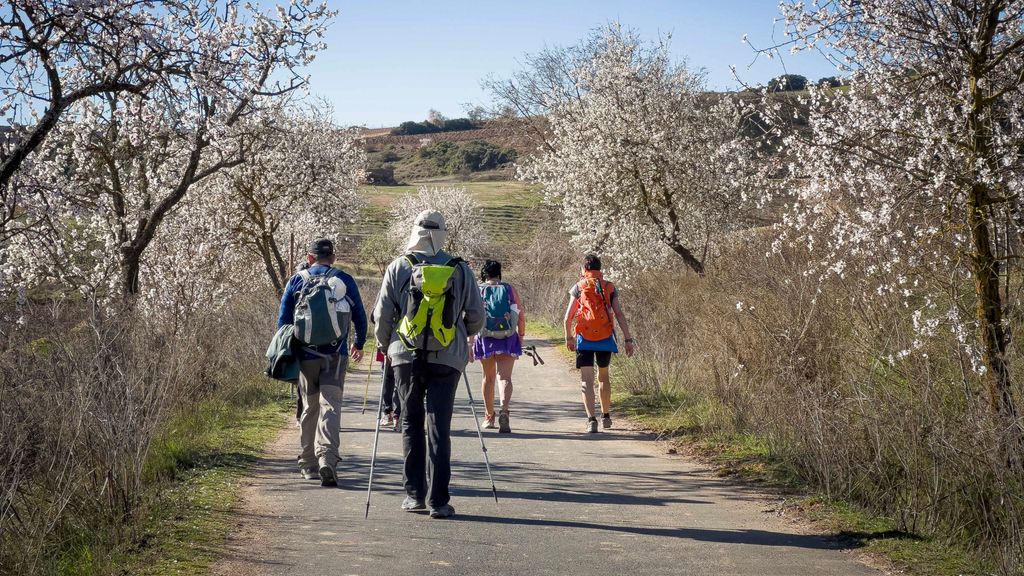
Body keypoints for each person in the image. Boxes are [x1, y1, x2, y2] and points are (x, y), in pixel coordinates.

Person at [373, 210, 485, 519]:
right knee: (440, 426)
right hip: (448, 357)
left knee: (410, 422)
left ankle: (414, 496)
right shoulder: (460, 269)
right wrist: (462, 333)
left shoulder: (399, 267)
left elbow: (382, 315)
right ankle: (439, 501)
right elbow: (476, 315)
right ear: (443, 234)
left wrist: (386, 345)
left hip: (405, 357)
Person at [278, 238, 367, 486]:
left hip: (306, 356)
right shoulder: (344, 280)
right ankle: (327, 458)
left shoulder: (297, 280)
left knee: (310, 407)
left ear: (309, 257)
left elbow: (283, 321)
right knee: (331, 406)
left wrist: (289, 351)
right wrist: (359, 343)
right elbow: (360, 316)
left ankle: (308, 464)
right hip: (336, 355)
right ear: (333, 258)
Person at [563, 254, 635, 433]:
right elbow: (619, 314)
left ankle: (591, 420)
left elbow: (567, 317)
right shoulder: (609, 287)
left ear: (584, 269)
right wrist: (628, 339)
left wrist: (568, 338)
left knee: (586, 380)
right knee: (603, 377)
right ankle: (606, 416)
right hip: (605, 337)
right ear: (599, 269)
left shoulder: (578, 287)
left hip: (584, 338)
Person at [470, 260, 525, 433]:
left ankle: (489, 417)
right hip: (508, 338)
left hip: (485, 338)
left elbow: (473, 317)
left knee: (488, 378)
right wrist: (521, 336)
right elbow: (520, 314)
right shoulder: (509, 289)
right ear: (499, 273)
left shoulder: (479, 290)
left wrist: (470, 341)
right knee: (505, 378)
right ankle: (504, 411)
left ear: (484, 274)